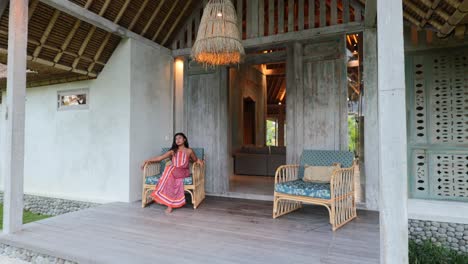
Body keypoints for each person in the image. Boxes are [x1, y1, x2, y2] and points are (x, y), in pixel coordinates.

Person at [141, 133, 203, 213]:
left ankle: (159, 192)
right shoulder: (173, 151)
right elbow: (160, 158)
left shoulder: (189, 151)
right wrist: (146, 160)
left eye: (180, 138)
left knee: (169, 168)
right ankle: (170, 205)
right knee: (171, 176)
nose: (178, 140)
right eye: (176, 139)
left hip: (183, 172)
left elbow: (195, 160)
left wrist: (199, 161)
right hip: (173, 172)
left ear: (184, 139)